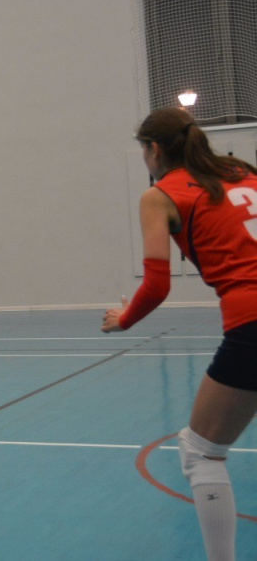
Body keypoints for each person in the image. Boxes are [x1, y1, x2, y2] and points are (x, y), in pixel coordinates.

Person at [102, 107, 257, 561]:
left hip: (251, 318)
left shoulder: (160, 195)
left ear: (153, 149)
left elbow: (157, 284)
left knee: (200, 450)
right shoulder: (244, 173)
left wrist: (124, 319)